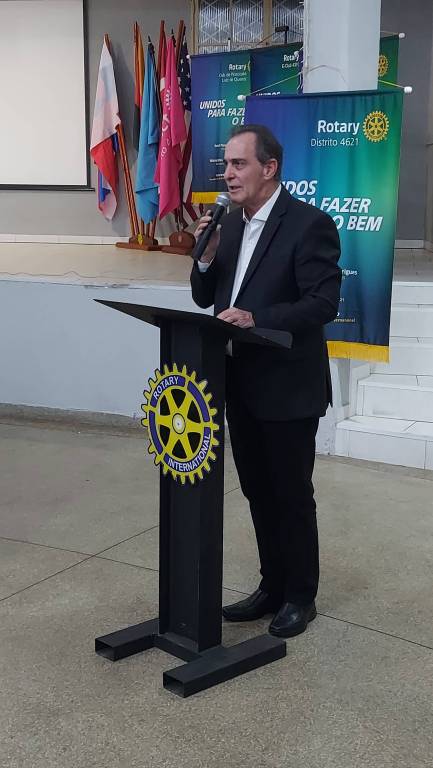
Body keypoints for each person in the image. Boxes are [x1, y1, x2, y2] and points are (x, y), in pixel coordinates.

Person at [190, 124, 341, 638]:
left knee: (290, 494)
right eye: (226, 165)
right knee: (257, 490)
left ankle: (300, 595)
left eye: (239, 164)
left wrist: (258, 318)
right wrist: (205, 257)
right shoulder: (229, 226)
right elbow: (203, 297)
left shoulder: (309, 224)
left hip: (288, 386)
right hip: (239, 383)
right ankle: (271, 586)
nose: (228, 175)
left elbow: (323, 303)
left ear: (269, 168)